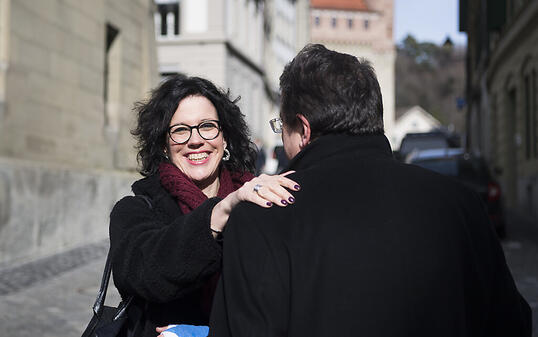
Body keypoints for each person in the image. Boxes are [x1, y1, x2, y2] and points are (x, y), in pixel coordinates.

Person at [209, 44, 532, 336]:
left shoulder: (262, 215)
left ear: (303, 129)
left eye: (282, 127)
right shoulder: (460, 204)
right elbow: (511, 322)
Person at [109, 75, 300, 337]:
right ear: (164, 144)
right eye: (180, 130)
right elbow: (145, 273)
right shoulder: (136, 209)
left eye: (207, 126)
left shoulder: (260, 200)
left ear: (225, 137)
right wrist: (220, 212)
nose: (195, 140)